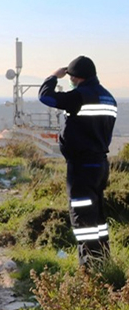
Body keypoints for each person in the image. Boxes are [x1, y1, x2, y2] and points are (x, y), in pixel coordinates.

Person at [38, 55, 117, 268]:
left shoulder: (79, 96)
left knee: (83, 218)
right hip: (100, 164)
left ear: (76, 77)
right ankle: (103, 262)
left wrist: (54, 76)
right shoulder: (109, 98)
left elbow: (45, 97)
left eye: (71, 76)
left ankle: (89, 269)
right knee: (97, 217)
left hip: (81, 167)